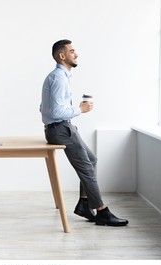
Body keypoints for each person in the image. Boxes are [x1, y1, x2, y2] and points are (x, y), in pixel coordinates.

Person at [40, 39, 128, 226]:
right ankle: (102, 212)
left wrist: (73, 110)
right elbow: (55, 112)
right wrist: (80, 109)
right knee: (87, 168)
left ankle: (84, 203)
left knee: (92, 159)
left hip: (62, 127)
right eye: (72, 51)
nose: (76, 54)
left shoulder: (58, 77)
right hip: (61, 129)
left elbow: (44, 108)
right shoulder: (59, 78)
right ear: (62, 56)